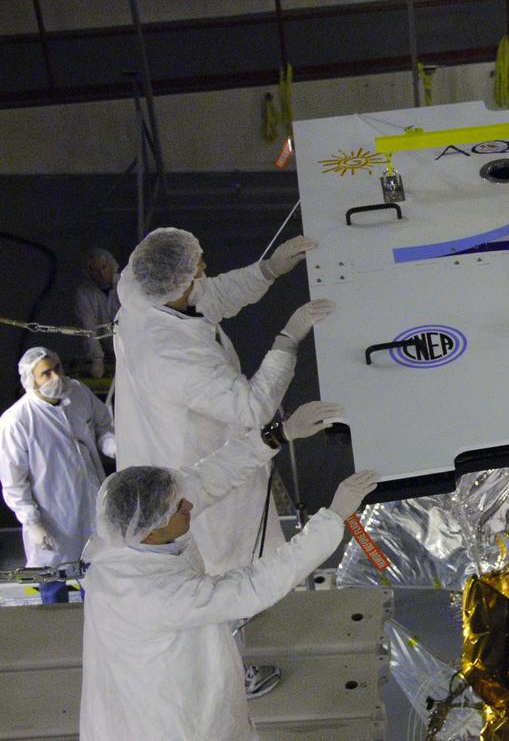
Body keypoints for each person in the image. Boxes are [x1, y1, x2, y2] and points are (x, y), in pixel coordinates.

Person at [113, 226, 332, 694]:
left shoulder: (143, 297)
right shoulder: (170, 353)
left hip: (171, 458)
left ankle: (222, 663)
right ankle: (228, 676)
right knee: (214, 580)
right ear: (181, 281)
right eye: (198, 268)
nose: (205, 271)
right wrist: (288, 340)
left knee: (205, 575)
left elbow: (208, 296)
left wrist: (267, 270)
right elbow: (252, 407)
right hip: (190, 464)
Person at [79, 400, 378, 741]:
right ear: (152, 530)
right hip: (168, 723)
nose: (189, 504)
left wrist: (277, 434)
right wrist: (332, 518)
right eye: (180, 508)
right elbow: (252, 587)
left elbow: (206, 479)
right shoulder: (150, 594)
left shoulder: (127, 531)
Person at [0, 347, 115, 603]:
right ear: (32, 381)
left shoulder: (78, 392)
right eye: (46, 374)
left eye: (57, 369)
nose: (56, 378)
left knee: (96, 578)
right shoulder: (17, 421)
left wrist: (110, 443)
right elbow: (13, 481)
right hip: (53, 517)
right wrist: (32, 522)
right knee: (53, 581)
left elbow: (102, 424)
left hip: (89, 503)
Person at [74, 248, 121, 380]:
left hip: (133, 348)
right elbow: (88, 327)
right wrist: (97, 359)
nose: (101, 273)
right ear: (89, 273)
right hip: (105, 351)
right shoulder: (84, 294)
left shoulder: (125, 285)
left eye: (104, 267)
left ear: (112, 265)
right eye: (95, 270)